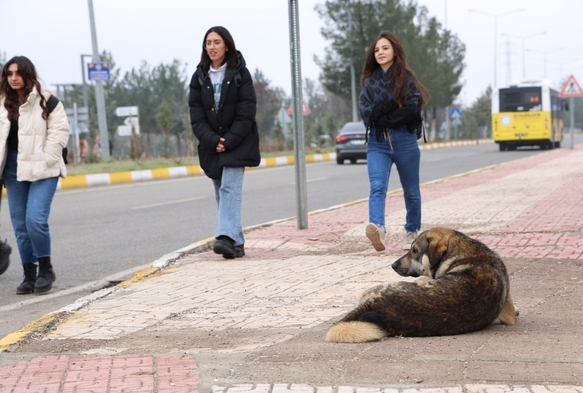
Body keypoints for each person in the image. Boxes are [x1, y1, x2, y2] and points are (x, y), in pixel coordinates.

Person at [188, 26, 260, 259]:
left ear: (227, 45)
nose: (212, 47)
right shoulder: (199, 76)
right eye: (208, 43)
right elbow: (196, 115)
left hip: (238, 141)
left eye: (216, 42)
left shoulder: (240, 73)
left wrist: (228, 140)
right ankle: (236, 242)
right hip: (212, 144)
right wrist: (212, 140)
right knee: (221, 192)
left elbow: (247, 111)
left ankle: (224, 237)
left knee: (229, 188)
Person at [0, 56, 70, 294]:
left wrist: (48, 158)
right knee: (20, 226)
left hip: (43, 168)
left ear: (28, 74)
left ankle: (46, 269)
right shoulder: (1, 103)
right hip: (12, 169)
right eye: (9, 74)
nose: (13, 78)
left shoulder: (47, 101)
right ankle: (29, 274)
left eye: (18, 73)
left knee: (35, 221)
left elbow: (60, 131)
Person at [359, 30, 430, 252]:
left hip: (405, 141)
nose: (380, 52)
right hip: (378, 143)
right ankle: (378, 228)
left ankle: (411, 231)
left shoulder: (407, 79)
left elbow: (411, 110)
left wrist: (384, 114)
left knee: (411, 190)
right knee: (377, 186)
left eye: (385, 48)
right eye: (377, 49)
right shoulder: (369, 83)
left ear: (395, 51)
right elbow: (367, 113)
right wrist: (389, 110)